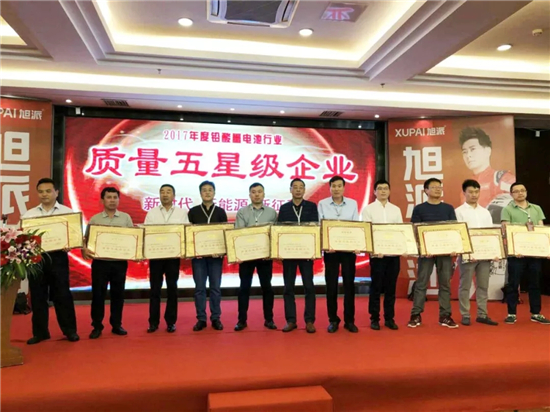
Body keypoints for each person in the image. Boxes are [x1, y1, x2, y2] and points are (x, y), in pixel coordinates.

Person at [21, 178, 79, 344]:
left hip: (58, 257)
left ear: (56, 192)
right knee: (38, 296)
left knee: (62, 294)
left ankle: (70, 331)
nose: (44, 194)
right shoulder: (29, 215)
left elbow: (74, 235)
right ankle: (40, 333)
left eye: (48, 191)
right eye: (41, 192)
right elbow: (23, 238)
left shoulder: (67, 212)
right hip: (36, 258)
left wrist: (70, 243)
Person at [83, 187, 134, 339]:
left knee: (118, 295)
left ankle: (116, 324)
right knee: (98, 295)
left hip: (119, 263)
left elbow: (133, 239)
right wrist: (84, 250)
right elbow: (86, 240)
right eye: (109, 197)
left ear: (119, 200)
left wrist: (136, 252)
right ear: (102, 200)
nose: (112, 200)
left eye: (115, 197)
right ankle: (97, 326)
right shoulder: (95, 219)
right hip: (100, 263)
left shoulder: (125, 218)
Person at [408, 178, 459, 329]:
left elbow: (453, 229)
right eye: (434, 187)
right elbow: (415, 229)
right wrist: (423, 248)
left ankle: (445, 316)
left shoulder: (448, 208)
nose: (438, 189)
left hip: (445, 251)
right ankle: (416, 315)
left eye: (439, 187)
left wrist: (453, 247)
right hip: (426, 253)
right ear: (426, 190)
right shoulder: (419, 209)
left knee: (445, 283)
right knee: (421, 283)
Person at [501, 182, 550, 325]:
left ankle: (536, 313)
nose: (520, 193)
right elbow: (506, 230)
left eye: (522, 190)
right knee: (513, 283)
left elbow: (541, 230)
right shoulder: (507, 209)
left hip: (534, 253)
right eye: (516, 191)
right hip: (516, 254)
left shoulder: (536, 208)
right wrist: (514, 249)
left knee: (535, 283)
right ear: (511, 194)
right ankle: (511, 313)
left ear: (526, 192)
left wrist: (545, 249)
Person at [144, 184, 188, 333]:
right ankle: (153, 322)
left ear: (173, 196)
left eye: (168, 192)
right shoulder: (152, 213)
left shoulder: (182, 212)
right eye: (162, 192)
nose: (165, 194)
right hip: (156, 256)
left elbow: (185, 233)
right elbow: (146, 232)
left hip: (173, 257)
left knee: (172, 289)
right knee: (154, 290)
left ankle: (171, 322)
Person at [318, 176, 360, 333]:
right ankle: (333, 320)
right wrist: (325, 245)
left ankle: (350, 321)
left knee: (349, 285)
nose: (336, 189)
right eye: (333, 186)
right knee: (331, 286)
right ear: (329, 188)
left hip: (348, 251)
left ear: (344, 187)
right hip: (331, 251)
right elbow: (321, 226)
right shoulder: (322, 204)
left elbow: (356, 226)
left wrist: (357, 245)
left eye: (339, 186)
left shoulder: (352, 203)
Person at [277, 178, 319, 333]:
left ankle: (309, 320)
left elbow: (315, 229)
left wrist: (314, 249)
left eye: (301, 187)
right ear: (290, 190)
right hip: (289, 254)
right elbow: (279, 231)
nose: (298, 190)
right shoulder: (284, 208)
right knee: (288, 287)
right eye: (295, 187)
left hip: (306, 252)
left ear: (304, 190)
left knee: (309, 286)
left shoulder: (311, 207)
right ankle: (291, 320)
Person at [234, 183, 278, 331]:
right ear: (249, 195)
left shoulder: (272, 213)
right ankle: (242, 320)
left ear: (264, 194)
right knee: (244, 288)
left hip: (265, 257)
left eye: (259, 192)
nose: (257, 194)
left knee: (267, 288)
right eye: (254, 192)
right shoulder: (242, 212)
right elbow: (239, 233)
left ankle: (269, 319)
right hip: (247, 256)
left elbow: (275, 234)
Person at [455, 179, 499, 326]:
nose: (474, 195)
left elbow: (491, 234)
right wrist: (467, 252)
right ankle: (465, 314)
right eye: (470, 192)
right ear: (464, 193)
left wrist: (494, 251)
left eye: (476, 191)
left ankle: (482, 314)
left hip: (485, 254)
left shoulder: (485, 212)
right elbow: (459, 234)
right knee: (465, 285)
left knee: (483, 285)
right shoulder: (458, 212)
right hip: (468, 254)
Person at [361, 179, 402, 331]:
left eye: (386, 188)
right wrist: (373, 250)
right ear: (374, 192)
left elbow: (400, 231)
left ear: (389, 191)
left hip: (393, 254)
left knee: (391, 288)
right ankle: (374, 318)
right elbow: (367, 231)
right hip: (377, 255)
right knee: (376, 287)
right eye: (380, 188)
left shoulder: (396, 209)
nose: (383, 191)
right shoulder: (368, 209)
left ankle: (389, 318)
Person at [187, 181, 228, 331]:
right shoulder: (193, 212)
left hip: (216, 257)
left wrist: (221, 250)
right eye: (204, 190)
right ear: (200, 193)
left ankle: (216, 318)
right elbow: (188, 234)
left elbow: (225, 234)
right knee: (199, 288)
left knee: (215, 288)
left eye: (210, 190)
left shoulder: (220, 212)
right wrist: (193, 251)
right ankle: (201, 319)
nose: (207, 193)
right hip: (198, 257)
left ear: (214, 193)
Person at [459, 127, 516, 223]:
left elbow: (514, 209)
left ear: (487, 151)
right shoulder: (464, 188)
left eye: (473, 149)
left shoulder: (502, 178)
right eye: (465, 152)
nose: (468, 155)